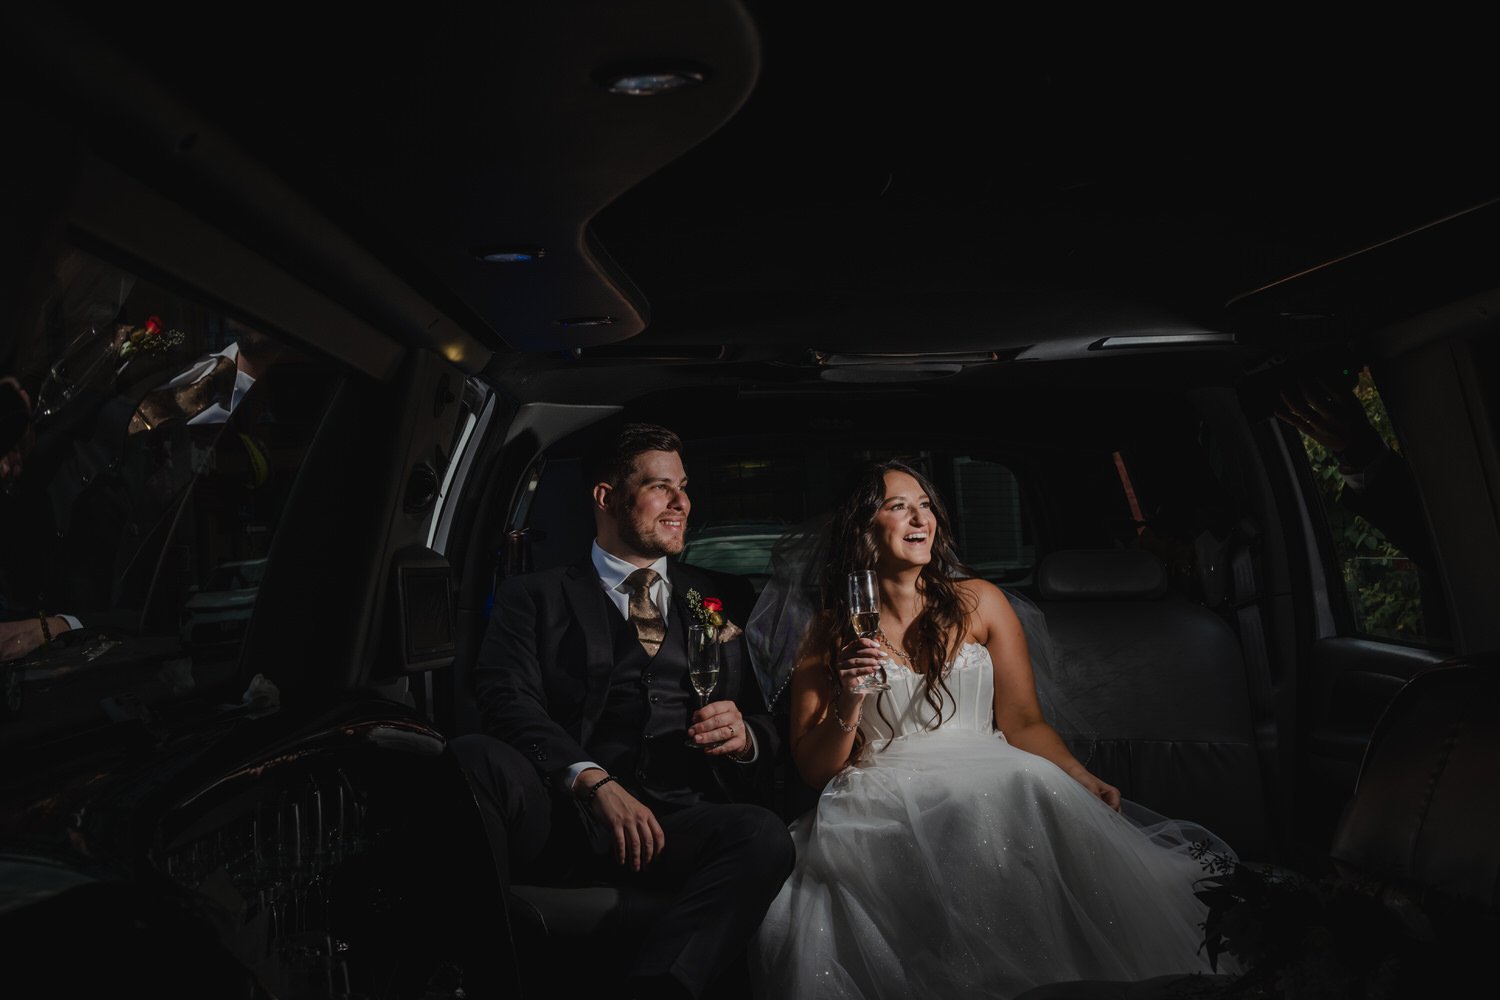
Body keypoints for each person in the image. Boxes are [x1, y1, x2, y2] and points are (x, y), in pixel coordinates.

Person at [749, 460, 1236, 999]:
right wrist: (850, 697)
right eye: (899, 506)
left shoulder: (981, 601)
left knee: (1025, 785)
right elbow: (817, 769)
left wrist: (1079, 776)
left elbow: (1024, 722)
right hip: (882, 791)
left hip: (995, 768)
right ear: (864, 529)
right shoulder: (828, 630)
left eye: (926, 505)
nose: (921, 518)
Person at [455, 422, 795, 1000]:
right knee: (473, 757)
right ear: (607, 497)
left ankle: (657, 990)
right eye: (661, 487)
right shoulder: (533, 597)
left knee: (762, 837)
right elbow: (506, 700)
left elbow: (776, 715)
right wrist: (589, 779)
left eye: (683, 487)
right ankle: (470, 974)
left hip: (680, 818)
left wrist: (747, 736)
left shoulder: (723, 596)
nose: (682, 502)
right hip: (566, 817)